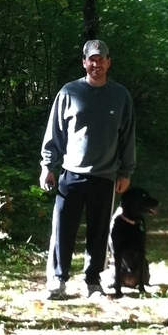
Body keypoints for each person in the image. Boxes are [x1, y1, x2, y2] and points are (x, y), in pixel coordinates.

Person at [39, 39, 136, 299]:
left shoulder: (120, 96)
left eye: (101, 59)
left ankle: (93, 282)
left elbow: (127, 137)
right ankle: (58, 281)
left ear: (108, 62)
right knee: (62, 231)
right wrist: (48, 166)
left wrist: (126, 172)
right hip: (70, 174)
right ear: (84, 62)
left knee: (99, 232)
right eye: (92, 59)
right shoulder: (69, 92)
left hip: (104, 176)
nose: (97, 63)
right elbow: (54, 133)